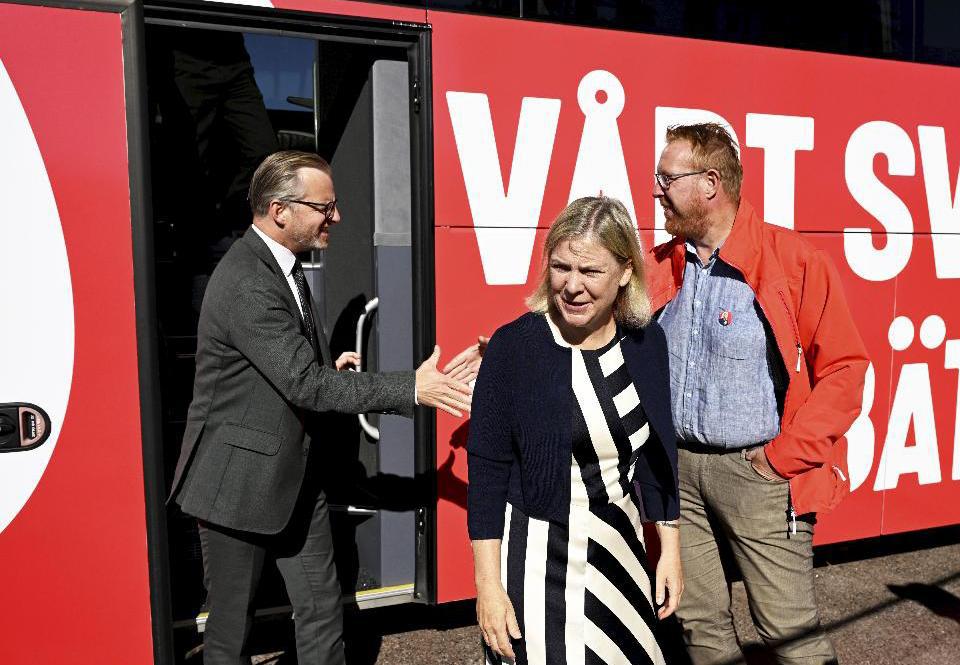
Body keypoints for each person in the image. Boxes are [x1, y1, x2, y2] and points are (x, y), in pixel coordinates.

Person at [168, 150, 480, 665]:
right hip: (236, 485)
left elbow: (284, 372)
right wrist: (411, 388)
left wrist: (324, 372)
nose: (336, 217)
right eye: (324, 206)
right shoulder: (249, 281)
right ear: (279, 210)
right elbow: (303, 386)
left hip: (294, 478)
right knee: (229, 632)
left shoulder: (281, 266)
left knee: (320, 611)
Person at [648, 123, 868, 665]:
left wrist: (780, 460)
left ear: (710, 183)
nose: (657, 190)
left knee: (787, 633)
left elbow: (846, 370)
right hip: (679, 473)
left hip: (759, 474)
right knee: (699, 628)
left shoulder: (791, 261)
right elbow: (594, 312)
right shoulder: (661, 263)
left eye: (667, 178)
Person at [467, 196, 683, 665]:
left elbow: (656, 457)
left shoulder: (646, 343)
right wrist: (488, 587)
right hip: (536, 556)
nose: (572, 286)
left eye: (590, 271)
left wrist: (669, 547)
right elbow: (486, 473)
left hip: (617, 548)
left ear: (626, 271)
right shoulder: (514, 346)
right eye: (562, 267)